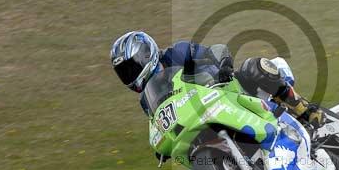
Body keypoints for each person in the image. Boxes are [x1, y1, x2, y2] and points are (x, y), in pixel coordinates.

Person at [110, 30, 326, 129]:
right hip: (203, 118)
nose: (130, 74)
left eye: (131, 67)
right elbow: (161, 125)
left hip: (229, 90)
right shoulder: (146, 101)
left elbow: (215, 51)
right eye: (124, 72)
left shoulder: (177, 52)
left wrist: (222, 63)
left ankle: (306, 111)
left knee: (255, 66)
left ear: (146, 54)